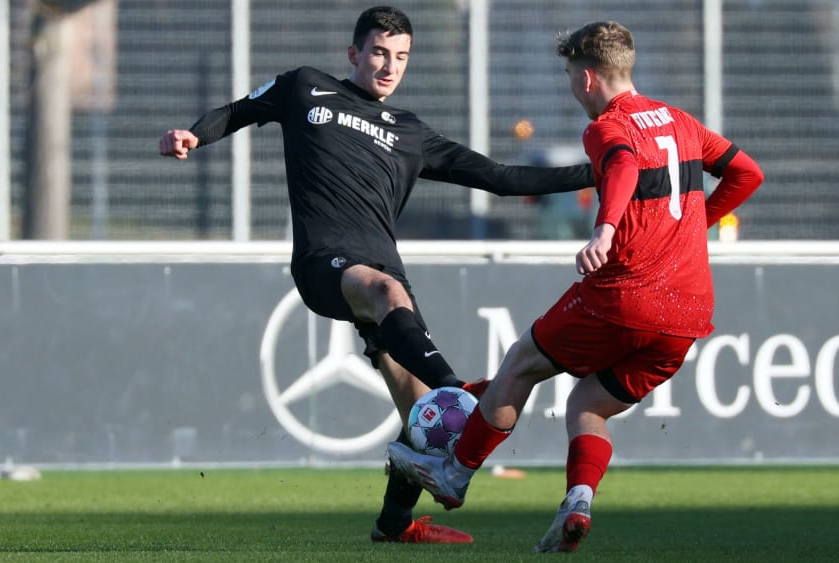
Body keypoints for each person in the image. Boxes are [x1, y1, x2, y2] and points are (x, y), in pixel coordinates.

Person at [159, 6, 594, 544]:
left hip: (385, 274)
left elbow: (503, 178)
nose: (390, 66)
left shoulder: (410, 132)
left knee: (421, 423)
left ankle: (394, 525)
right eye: (380, 53)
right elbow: (238, 110)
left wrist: (601, 170)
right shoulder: (305, 88)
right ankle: (456, 390)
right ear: (354, 54)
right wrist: (195, 136)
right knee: (419, 357)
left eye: (402, 57)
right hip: (326, 264)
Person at [388, 20, 764, 552]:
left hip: (626, 293)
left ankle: (455, 474)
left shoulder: (609, 127)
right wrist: (692, 227)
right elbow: (748, 173)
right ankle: (579, 501)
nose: (571, 88)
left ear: (587, 78)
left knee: (520, 363)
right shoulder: (682, 122)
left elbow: (623, 165)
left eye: (569, 76)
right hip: (689, 311)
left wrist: (605, 230)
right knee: (588, 405)